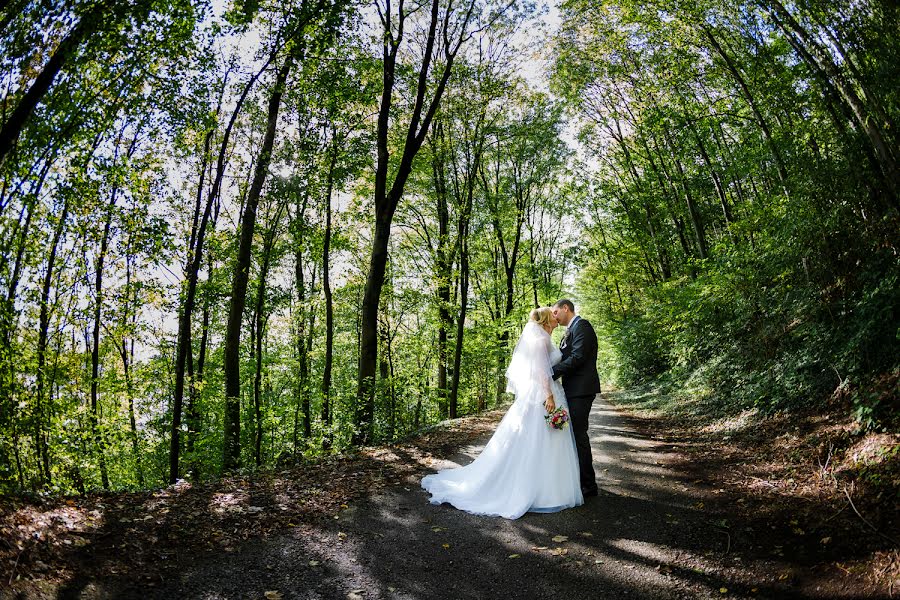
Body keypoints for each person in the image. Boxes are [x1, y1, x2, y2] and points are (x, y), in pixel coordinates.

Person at [421, 307, 583, 519]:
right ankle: (535, 490)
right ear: (545, 320)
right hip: (543, 394)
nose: (556, 316)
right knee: (536, 439)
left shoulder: (546, 337)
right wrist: (549, 396)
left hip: (550, 391)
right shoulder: (541, 340)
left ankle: (550, 489)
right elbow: (542, 371)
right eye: (552, 314)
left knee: (550, 439)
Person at [551, 299, 601, 497]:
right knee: (572, 434)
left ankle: (589, 486)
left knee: (579, 435)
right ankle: (578, 480)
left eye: (555, 312)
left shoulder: (583, 326)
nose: (554, 316)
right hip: (571, 390)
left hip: (581, 390)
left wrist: (551, 372)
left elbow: (578, 356)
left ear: (566, 308)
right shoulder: (571, 330)